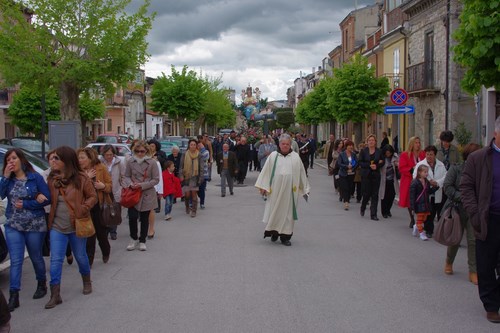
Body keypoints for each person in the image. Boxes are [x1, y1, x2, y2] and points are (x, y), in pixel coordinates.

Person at [45, 146, 97, 309]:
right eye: (52, 159)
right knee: (55, 260)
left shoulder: (81, 178)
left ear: (66, 161)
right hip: (56, 226)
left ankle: (86, 281)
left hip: (77, 225)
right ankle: (55, 294)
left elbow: (93, 196)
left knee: (81, 256)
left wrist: (84, 207)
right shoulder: (51, 179)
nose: (52, 161)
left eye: (56, 159)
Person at [460, 116, 500, 323]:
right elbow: (466, 187)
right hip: (487, 219)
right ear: (496, 133)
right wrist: (474, 213)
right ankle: (491, 305)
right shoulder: (479, 158)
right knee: (486, 265)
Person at [0, 148, 51, 311]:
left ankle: (42, 283)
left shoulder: (35, 177)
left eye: (14, 158)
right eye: (8, 160)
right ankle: (14, 295)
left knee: (36, 256)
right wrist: (5, 177)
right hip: (14, 225)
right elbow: (0, 195)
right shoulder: (8, 180)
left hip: (34, 224)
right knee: (16, 260)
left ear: (21, 160)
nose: (11, 162)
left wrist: (28, 204)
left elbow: (47, 198)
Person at [255, 134, 310, 246]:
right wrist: (264, 187)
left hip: (290, 191)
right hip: (275, 190)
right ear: (279, 144)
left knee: (288, 214)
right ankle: (274, 232)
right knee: (275, 210)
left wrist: (305, 188)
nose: (285, 146)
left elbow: (301, 173)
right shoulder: (273, 156)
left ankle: (285, 237)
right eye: (283, 144)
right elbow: (266, 171)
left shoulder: (295, 157)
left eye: (287, 144)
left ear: (291, 145)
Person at [442, 143, 481, 284]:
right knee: (455, 239)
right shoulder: (456, 169)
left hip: (474, 211)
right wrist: (463, 197)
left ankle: (473, 270)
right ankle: (449, 261)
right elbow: (447, 187)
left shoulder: (482, 171)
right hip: (457, 209)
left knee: (473, 240)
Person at [77, 147, 112, 266]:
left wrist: (103, 186)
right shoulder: (77, 171)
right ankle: (89, 260)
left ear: (90, 158)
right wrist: (86, 177)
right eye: (79, 157)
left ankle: (106, 251)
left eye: (82, 157)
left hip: (99, 205)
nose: (80, 160)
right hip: (85, 206)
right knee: (89, 234)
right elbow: (75, 189)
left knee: (101, 233)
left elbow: (109, 186)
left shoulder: (101, 168)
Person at [123, 141, 160, 251]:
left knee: (144, 218)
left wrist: (142, 185)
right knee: (132, 217)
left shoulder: (152, 163)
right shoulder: (130, 161)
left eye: (142, 151)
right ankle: (133, 238)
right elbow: (127, 176)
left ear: (146, 151)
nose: (140, 153)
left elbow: (156, 179)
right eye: (137, 151)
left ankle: (142, 240)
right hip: (133, 193)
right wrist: (130, 184)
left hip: (147, 193)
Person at [413, 145, 447, 238]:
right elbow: (415, 176)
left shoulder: (441, 165)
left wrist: (437, 183)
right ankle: (429, 230)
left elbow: (445, 177)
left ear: (435, 155)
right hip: (426, 193)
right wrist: (428, 182)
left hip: (438, 191)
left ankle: (441, 232)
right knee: (429, 213)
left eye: (431, 154)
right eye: (427, 154)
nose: (429, 156)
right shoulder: (420, 164)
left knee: (440, 212)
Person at [398, 136, 426, 228]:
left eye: (419, 142)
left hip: (421, 179)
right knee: (410, 199)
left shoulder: (423, 154)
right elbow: (402, 167)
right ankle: (412, 218)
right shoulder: (405, 155)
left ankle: (420, 219)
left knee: (421, 198)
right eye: (416, 143)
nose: (418, 145)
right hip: (409, 179)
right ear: (412, 144)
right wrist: (412, 169)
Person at [99, 145, 125, 240]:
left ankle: (113, 231)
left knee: (115, 210)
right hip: (104, 189)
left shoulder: (119, 163)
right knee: (104, 210)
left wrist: (123, 187)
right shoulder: (100, 162)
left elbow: (123, 176)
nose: (109, 157)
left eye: (110, 154)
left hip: (116, 189)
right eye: (107, 155)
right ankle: (105, 230)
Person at [410, 165, 439, 241]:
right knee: (420, 220)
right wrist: (412, 207)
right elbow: (412, 196)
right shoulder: (415, 182)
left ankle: (416, 226)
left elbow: (428, 192)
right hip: (418, 204)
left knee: (424, 219)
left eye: (427, 172)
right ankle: (421, 233)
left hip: (426, 204)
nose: (426, 173)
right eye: (425, 172)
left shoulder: (426, 182)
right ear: (419, 172)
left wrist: (436, 187)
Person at [359, 134, 384, 220]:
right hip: (366, 175)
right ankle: (363, 207)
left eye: (373, 140)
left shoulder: (379, 151)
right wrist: (369, 165)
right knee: (366, 194)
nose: (371, 142)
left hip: (376, 175)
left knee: (375, 194)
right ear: (367, 142)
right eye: (370, 140)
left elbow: (382, 161)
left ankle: (373, 214)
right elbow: (360, 162)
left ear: (375, 142)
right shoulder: (363, 151)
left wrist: (377, 165)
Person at [179, 139, 203, 217]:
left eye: (194, 145)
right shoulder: (184, 154)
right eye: (191, 144)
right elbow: (181, 167)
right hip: (186, 177)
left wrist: (200, 178)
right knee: (187, 195)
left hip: (195, 177)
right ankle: (187, 207)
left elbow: (201, 168)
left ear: (196, 146)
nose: (192, 146)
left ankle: (194, 211)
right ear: (189, 145)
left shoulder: (199, 155)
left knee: (194, 194)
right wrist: (181, 175)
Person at [379, 144, 399, 218]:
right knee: (384, 196)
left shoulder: (395, 157)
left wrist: (397, 164)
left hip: (392, 180)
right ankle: (384, 212)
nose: (388, 154)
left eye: (389, 153)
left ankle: (388, 210)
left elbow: (399, 165)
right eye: (387, 153)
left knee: (392, 195)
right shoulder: (381, 157)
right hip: (384, 180)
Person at [337, 140, 358, 210]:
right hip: (343, 173)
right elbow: (339, 163)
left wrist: (352, 167)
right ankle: (346, 202)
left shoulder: (354, 154)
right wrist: (346, 166)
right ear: (346, 146)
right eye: (349, 145)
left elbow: (356, 163)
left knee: (349, 187)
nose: (351, 147)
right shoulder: (342, 154)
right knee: (345, 187)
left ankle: (347, 198)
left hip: (351, 173)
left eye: (352, 146)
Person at [197, 140, 210, 209]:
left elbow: (202, 157)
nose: (199, 146)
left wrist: (201, 149)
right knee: (196, 190)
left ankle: (202, 203)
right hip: (195, 174)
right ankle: (192, 202)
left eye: (201, 145)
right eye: (198, 145)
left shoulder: (206, 152)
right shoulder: (195, 152)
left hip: (203, 174)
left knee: (202, 189)